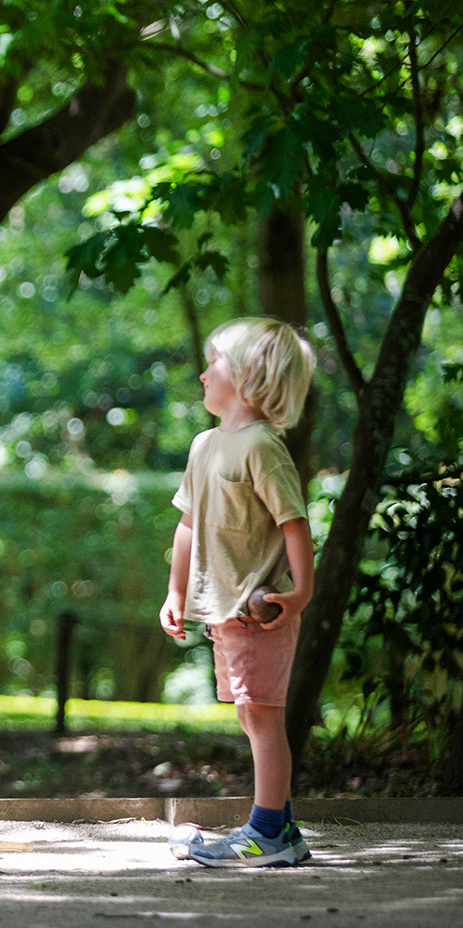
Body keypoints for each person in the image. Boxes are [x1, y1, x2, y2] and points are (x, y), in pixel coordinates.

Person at [160, 317, 317, 868]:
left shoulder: (262, 446)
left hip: (259, 610)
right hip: (224, 612)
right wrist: (175, 593)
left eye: (215, 364)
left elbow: (294, 523)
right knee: (251, 715)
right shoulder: (205, 445)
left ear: (250, 376)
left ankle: (268, 833)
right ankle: (284, 831)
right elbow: (186, 526)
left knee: (261, 716)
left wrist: (299, 593)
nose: (202, 374)